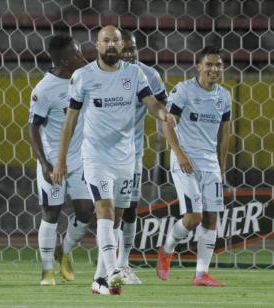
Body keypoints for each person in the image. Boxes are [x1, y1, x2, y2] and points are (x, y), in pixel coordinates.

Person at [52, 25, 176, 295]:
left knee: (117, 217)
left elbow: (151, 102)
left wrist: (163, 113)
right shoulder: (83, 77)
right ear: (96, 45)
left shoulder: (135, 73)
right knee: (104, 211)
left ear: (122, 46)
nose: (110, 45)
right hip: (96, 156)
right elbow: (70, 120)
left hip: (126, 157)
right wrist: (61, 160)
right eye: (105, 40)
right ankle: (113, 271)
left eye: (115, 41)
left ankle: (99, 281)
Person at [156, 46, 231, 287]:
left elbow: (225, 134)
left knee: (211, 217)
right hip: (186, 160)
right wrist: (179, 154)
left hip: (210, 163)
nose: (213, 69)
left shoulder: (224, 96)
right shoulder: (183, 90)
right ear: (198, 66)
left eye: (218, 65)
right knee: (193, 217)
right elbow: (168, 124)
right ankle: (167, 249)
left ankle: (201, 274)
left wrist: (222, 166)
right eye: (208, 64)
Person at [28, 34, 93, 286]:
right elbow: (33, 127)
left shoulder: (85, 78)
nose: (82, 56)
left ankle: (64, 250)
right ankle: (47, 271)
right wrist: (44, 163)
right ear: (65, 61)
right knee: (51, 213)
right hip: (54, 161)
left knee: (86, 212)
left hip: (81, 158)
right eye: (77, 54)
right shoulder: (44, 90)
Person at [116, 30, 168, 284]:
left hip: (133, 153)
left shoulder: (149, 75)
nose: (129, 53)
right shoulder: (100, 74)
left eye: (132, 48)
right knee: (95, 211)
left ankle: (121, 264)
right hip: (99, 153)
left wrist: (167, 125)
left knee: (129, 209)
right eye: (124, 48)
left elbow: (162, 105)